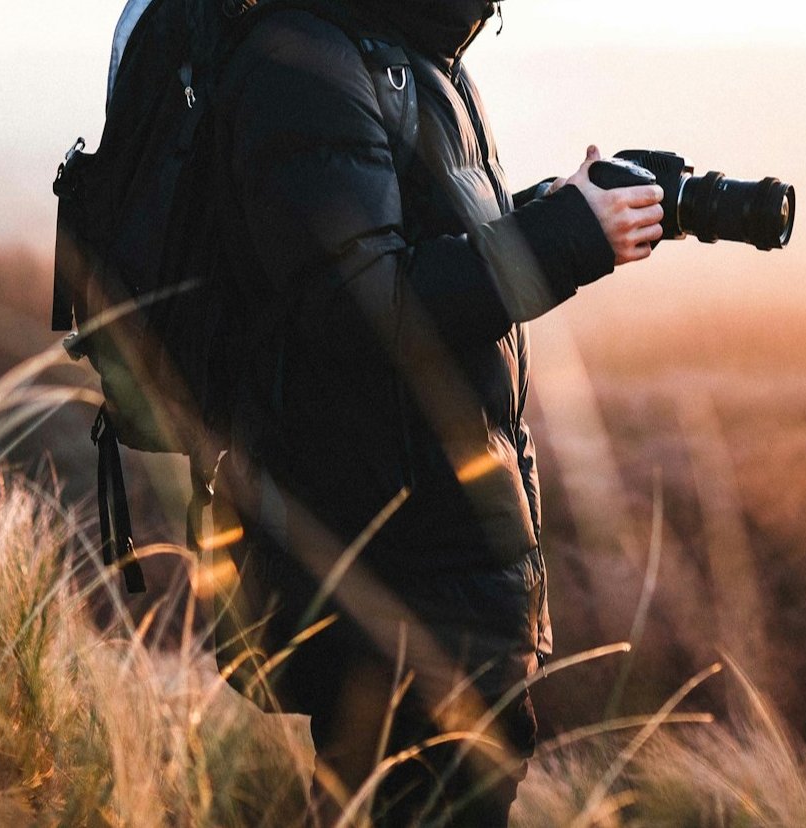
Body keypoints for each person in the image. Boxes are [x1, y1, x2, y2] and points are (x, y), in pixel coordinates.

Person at [208, 1, 664, 825]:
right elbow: (361, 306)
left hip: (441, 556)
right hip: (395, 566)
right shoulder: (305, 64)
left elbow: (416, 246)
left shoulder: (414, 60)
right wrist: (565, 239)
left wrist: (554, 210)